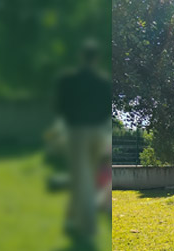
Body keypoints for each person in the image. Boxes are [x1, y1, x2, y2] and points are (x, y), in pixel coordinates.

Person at [56, 41, 111, 240]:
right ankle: (72, 218)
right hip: (96, 131)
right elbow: (107, 109)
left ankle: (87, 227)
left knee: (82, 177)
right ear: (96, 58)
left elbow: (60, 106)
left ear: (81, 57)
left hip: (77, 130)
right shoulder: (103, 82)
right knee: (86, 177)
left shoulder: (68, 80)